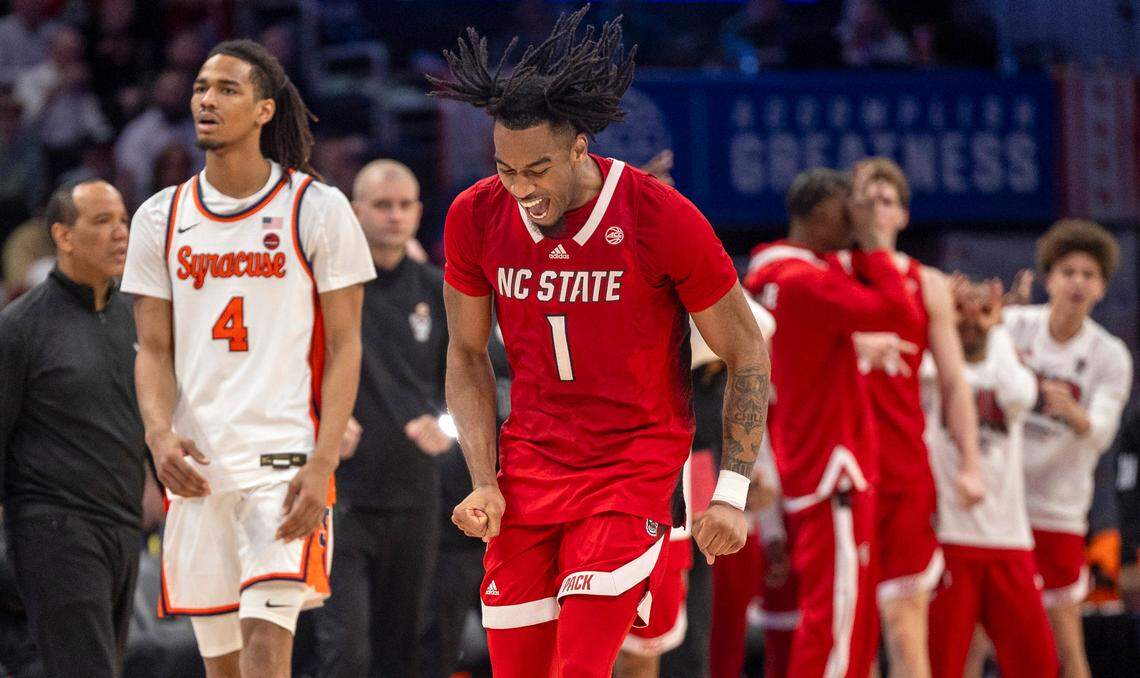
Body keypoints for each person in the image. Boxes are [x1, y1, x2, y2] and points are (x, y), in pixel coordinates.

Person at [429, 8, 772, 677]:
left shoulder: (659, 216)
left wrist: (730, 490)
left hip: (631, 469)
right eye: (506, 169)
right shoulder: (475, 215)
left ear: (581, 147)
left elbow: (746, 352)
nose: (522, 190)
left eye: (538, 170)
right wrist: (483, 481)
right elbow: (466, 355)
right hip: (530, 468)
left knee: (580, 667)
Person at [121, 40, 375, 677]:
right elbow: (152, 350)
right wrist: (157, 435)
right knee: (223, 668)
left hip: (283, 467)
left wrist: (321, 463)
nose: (206, 99)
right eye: (202, 86)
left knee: (268, 650)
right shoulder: (160, 216)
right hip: (198, 468)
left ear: (265, 109)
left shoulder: (315, 207)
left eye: (227, 88)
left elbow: (347, 345)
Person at [743, 167, 922, 677]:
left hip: (817, 456)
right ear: (822, 210)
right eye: (851, 204)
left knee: (848, 621)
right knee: (835, 622)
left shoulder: (777, 271)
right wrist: (871, 240)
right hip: (830, 465)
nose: (857, 215)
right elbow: (901, 314)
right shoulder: (804, 280)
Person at [0, 180, 143, 677]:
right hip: (54, 529)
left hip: (124, 526)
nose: (120, 232)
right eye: (102, 221)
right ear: (63, 235)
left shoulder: (137, 316)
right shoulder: (20, 327)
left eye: (123, 220)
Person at [313, 159, 450, 677]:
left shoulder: (438, 291)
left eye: (404, 205)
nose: (395, 216)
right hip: (338, 496)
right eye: (381, 205)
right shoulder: (324, 287)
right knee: (345, 652)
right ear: (354, 211)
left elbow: (481, 381)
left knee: (403, 652)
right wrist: (317, 422)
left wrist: (449, 423)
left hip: (414, 496)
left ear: (419, 211)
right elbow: (285, 368)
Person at [851, 156, 984, 678]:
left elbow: (954, 382)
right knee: (851, 631)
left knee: (906, 630)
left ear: (903, 216)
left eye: (888, 201)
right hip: (845, 468)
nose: (877, 209)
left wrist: (970, 463)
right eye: (867, 198)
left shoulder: (924, 283)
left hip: (906, 469)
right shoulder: (831, 271)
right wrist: (852, 344)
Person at [1003, 219, 1132, 678]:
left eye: (1089, 274)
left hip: (1059, 509)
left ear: (1101, 288)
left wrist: (1074, 413)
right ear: (1048, 278)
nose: (1078, 282)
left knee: (1066, 636)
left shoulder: (1110, 354)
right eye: (1068, 271)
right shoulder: (1014, 327)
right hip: (1002, 511)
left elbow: (1101, 433)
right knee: (982, 633)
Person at [924, 276, 1059, 678]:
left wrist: (992, 328)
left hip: (1008, 538)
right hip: (948, 538)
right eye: (960, 314)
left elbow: (1018, 394)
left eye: (980, 313)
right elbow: (938, 367)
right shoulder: (930, 373)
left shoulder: (1008, 369)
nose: (971, 322)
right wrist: (944, 318)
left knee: (1039, 664)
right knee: (941, 665)